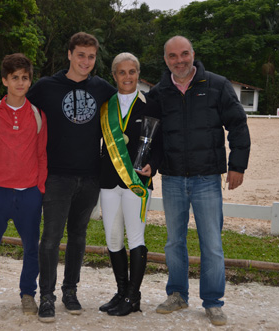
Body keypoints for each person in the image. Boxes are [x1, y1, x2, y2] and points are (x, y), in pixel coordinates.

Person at [0, 32, 116, 323]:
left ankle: (68, 291)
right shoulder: (46, 87)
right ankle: (43, 296)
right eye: (80, 55)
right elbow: (12, 101)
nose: (85, 61)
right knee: (48, 240)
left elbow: (125, 112)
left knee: (77, 237)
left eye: (90, 56)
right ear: (69, 54)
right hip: (54, 179)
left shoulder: (103, 89)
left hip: (88, 178)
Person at [148, 36, 251, 326]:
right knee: (173, 242)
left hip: (207, 178)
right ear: (165, 59)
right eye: (172, 56)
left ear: (193, 54)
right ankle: (178, 294)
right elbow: (151, 135)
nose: (179, 60)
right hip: (172, 179)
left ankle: (213, 302)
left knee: (212, 243)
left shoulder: (217, 85)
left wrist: (237, 165)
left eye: (184, 54)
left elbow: (238, 124)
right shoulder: (159, 92)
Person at [0, 53, 48, 318]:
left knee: (31, 249)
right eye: (14, 77)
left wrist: (39, 188)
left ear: (30, 81)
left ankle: (28, 294)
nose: (20, 82)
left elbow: (41, 154)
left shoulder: (38, 115)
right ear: (5, 80)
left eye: (25, 78)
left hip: (28, 194)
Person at [98, 52, 162, 316]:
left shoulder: (151, 103)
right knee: (113, 238)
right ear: (114, 75)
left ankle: (133, 297)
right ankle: (121, 291)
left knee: (135, 237)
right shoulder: (105, 105)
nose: (127, 77)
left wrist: (153, 165)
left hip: (137, 181)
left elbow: (161, 142)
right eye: (121, 72)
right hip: (108, 181)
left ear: (138, 73)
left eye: (132, 72)